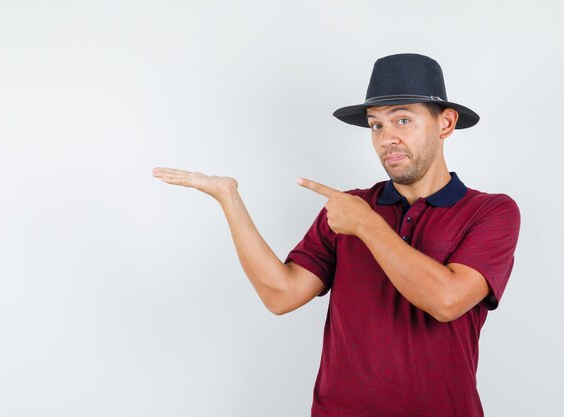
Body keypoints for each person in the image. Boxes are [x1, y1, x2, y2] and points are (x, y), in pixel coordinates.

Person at [152, 53, 521, 417]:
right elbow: (281, 295)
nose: (387, 138)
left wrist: (366, 225)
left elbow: (447, 301)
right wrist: (229, 199)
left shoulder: (491, 211)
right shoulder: (348, 208)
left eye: (403, 120)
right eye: (376, 125)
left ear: (446, 123)